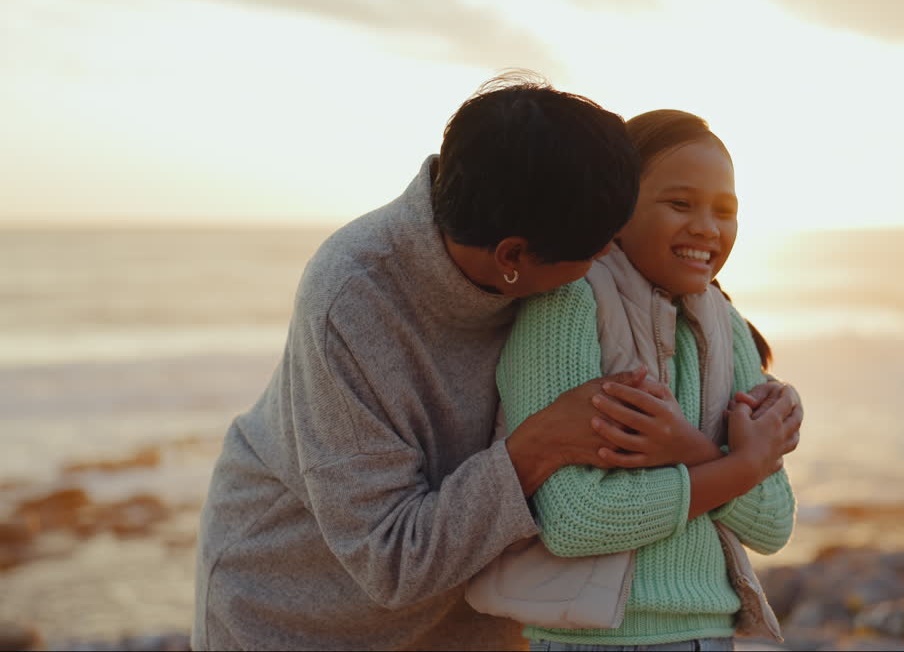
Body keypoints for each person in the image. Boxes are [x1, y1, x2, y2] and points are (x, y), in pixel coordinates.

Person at [192, 76, 698, 651]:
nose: (611, 253)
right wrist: (540, 445)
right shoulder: (354, 298)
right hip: (297, 611)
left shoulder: (549, 223)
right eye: (596, 247)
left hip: (478, 616)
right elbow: (391, 559)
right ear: (512, 256)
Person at [489, 109, 803, 650]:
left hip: (712, 633)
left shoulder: (724, 325)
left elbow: (773, 524)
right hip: (596, 640)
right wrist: (738, 467)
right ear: (616, 206)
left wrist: (691, 448)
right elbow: (575, 519)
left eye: (725, 210)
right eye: (680, 204)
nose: (707, 226)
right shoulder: (569, 303)